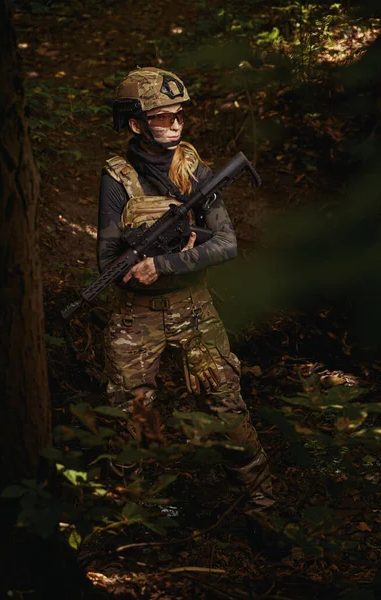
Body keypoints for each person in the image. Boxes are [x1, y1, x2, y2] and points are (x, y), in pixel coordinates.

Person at [97, 66, 276, 530]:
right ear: (137, 123)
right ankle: (124, 521)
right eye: (163, 117)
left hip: (194, 310)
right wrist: (144, 254)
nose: (175, 124)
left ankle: (264, 516)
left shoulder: (195, 170)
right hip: (135, 317)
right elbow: (107, 262)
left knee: (228, 410)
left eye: (180, 115)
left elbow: (227, 243)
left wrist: (168, 260)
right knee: (126, 420)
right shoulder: (118, 178)